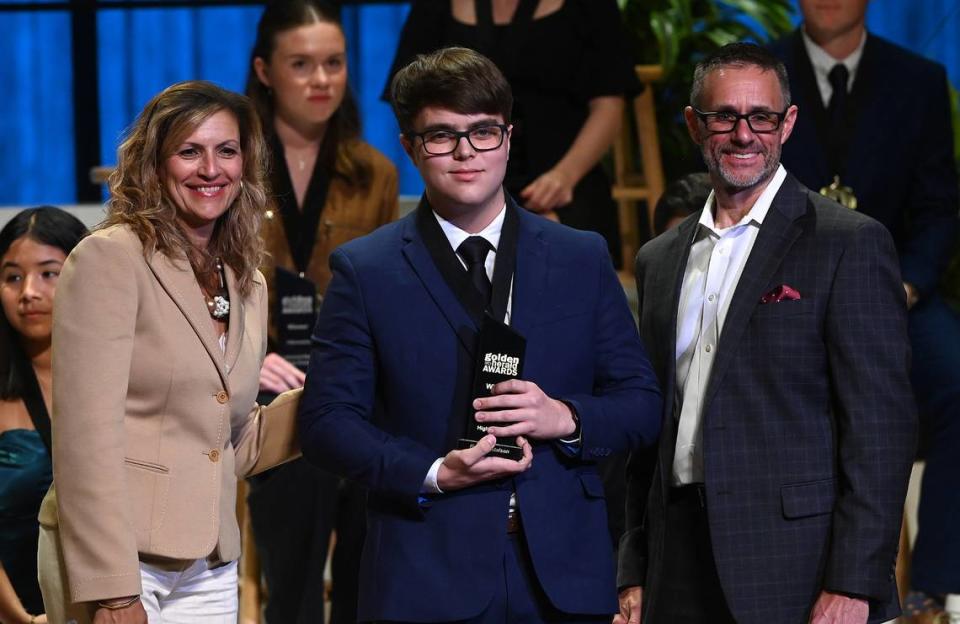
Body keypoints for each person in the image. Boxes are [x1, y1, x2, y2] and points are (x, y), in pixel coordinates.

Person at [298, 47, 662, 623]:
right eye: (441, 135)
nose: (466, 152)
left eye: (482, 132)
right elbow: (326, 424)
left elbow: (642, 405)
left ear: (509, 137)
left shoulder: (580, 256)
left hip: (563, 577)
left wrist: (564, 417)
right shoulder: (365, 270)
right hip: (426, 569)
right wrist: (434, 472)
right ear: (410, 147)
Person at [616, 43, 916, 624]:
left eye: (762, 117)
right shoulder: (659, 259)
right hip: (675, 559)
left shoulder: (847, 243)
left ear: (789, 123)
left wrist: (853, 582)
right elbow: (647, 434)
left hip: (794, 566)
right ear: (694, 124)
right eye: (724, 116)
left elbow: (879, 430)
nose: (743, 134)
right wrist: (635, 564)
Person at [35, 81, 301, 624]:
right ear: (154, 165)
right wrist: (114, 590)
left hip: (208, 560)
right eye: (189, 151)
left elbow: (232, 442)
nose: (211, 169)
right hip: (119, 561)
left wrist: (334, 395)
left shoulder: (248, 281)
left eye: (227, 151)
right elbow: (85, 439)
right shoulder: (110, 259)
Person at [770, 4, 960, 621]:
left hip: (896, 293)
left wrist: (906, 284)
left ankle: (934, 579)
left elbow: (937, 206)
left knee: (958, 383)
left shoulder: (919, 79)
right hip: (782, 290)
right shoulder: (760, 72)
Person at [243, 2, 399, 621]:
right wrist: (252, 359)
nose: (321, 80)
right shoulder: (231, 169)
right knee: (295, 542)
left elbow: (387, 297)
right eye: (301, 64)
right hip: (260, 388)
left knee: (369, 546)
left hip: (352, 386)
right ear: (264, 71)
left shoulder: (374, 172)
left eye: (334, 64)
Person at [384, 0, 639, 267]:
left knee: (567, 250)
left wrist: (564, 177)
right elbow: (406, 99)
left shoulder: (591, 9)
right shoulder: (434, 9)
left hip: (566, 179)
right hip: (463, 182)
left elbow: (609, 105)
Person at [0, 207, 87, 624]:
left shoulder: (130, 380)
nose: (28, 292)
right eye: (12, 277)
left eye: (49, 273)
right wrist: (21, 618)